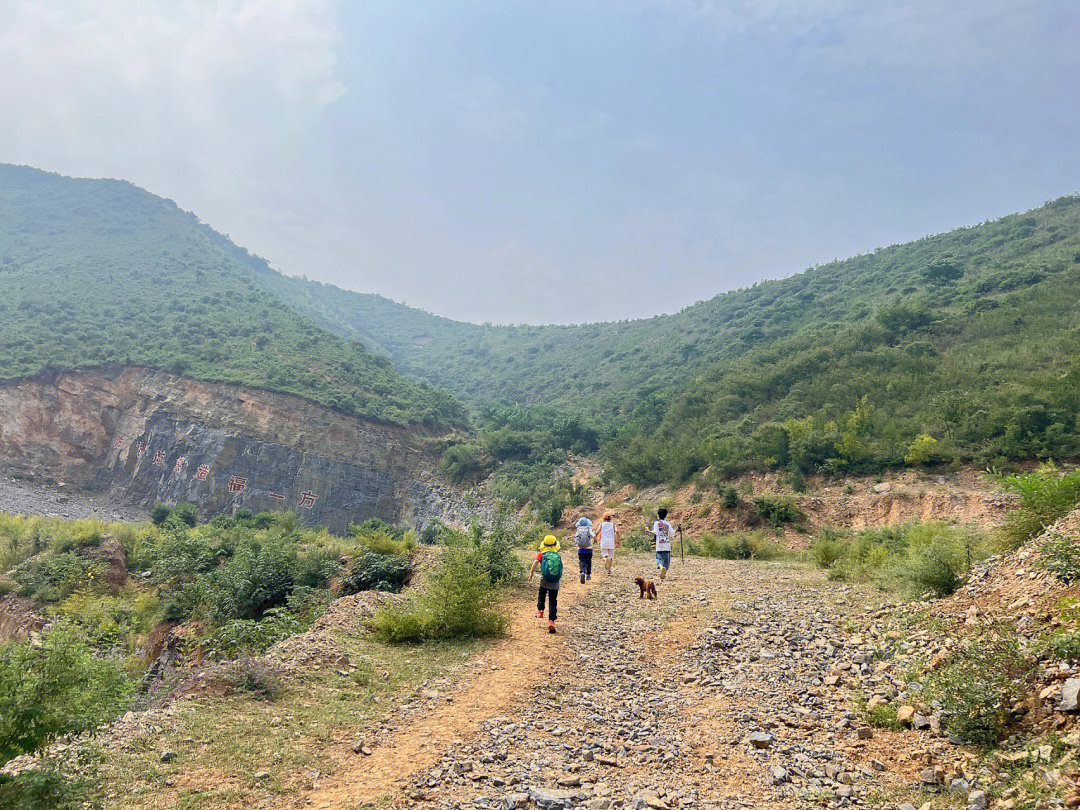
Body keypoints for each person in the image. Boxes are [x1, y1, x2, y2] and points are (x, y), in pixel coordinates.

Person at [529, 534, 563, 633]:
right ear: (555, 544)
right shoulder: (557, 555)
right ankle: (551, 621)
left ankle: (540, 611)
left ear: (544, 544)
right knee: (553, 601)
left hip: (544, 580)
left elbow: (535, 563)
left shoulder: (542, 554)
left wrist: (531, 573)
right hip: (555, 582)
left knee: (542, 593)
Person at [651, 507, 675, 581]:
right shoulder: (668, 524)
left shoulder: (656, 523)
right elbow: (671, 534)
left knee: (658, 559)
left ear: (658, 515)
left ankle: (661, 568)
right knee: (667, 562)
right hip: (667, 545)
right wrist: (676, 531)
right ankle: (664, 570)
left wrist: (649, 531)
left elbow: (656, 532)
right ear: (666, 515)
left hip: (659, 545)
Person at [574, 515, 593, 583]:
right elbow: (593, 535)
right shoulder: (589, 529)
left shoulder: (578, 530)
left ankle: (582, 572)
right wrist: (595, 540)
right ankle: (588, 575)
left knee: (582, 561)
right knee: (588, 561)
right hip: (589, 549)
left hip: (580, 549)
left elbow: (576, 538)